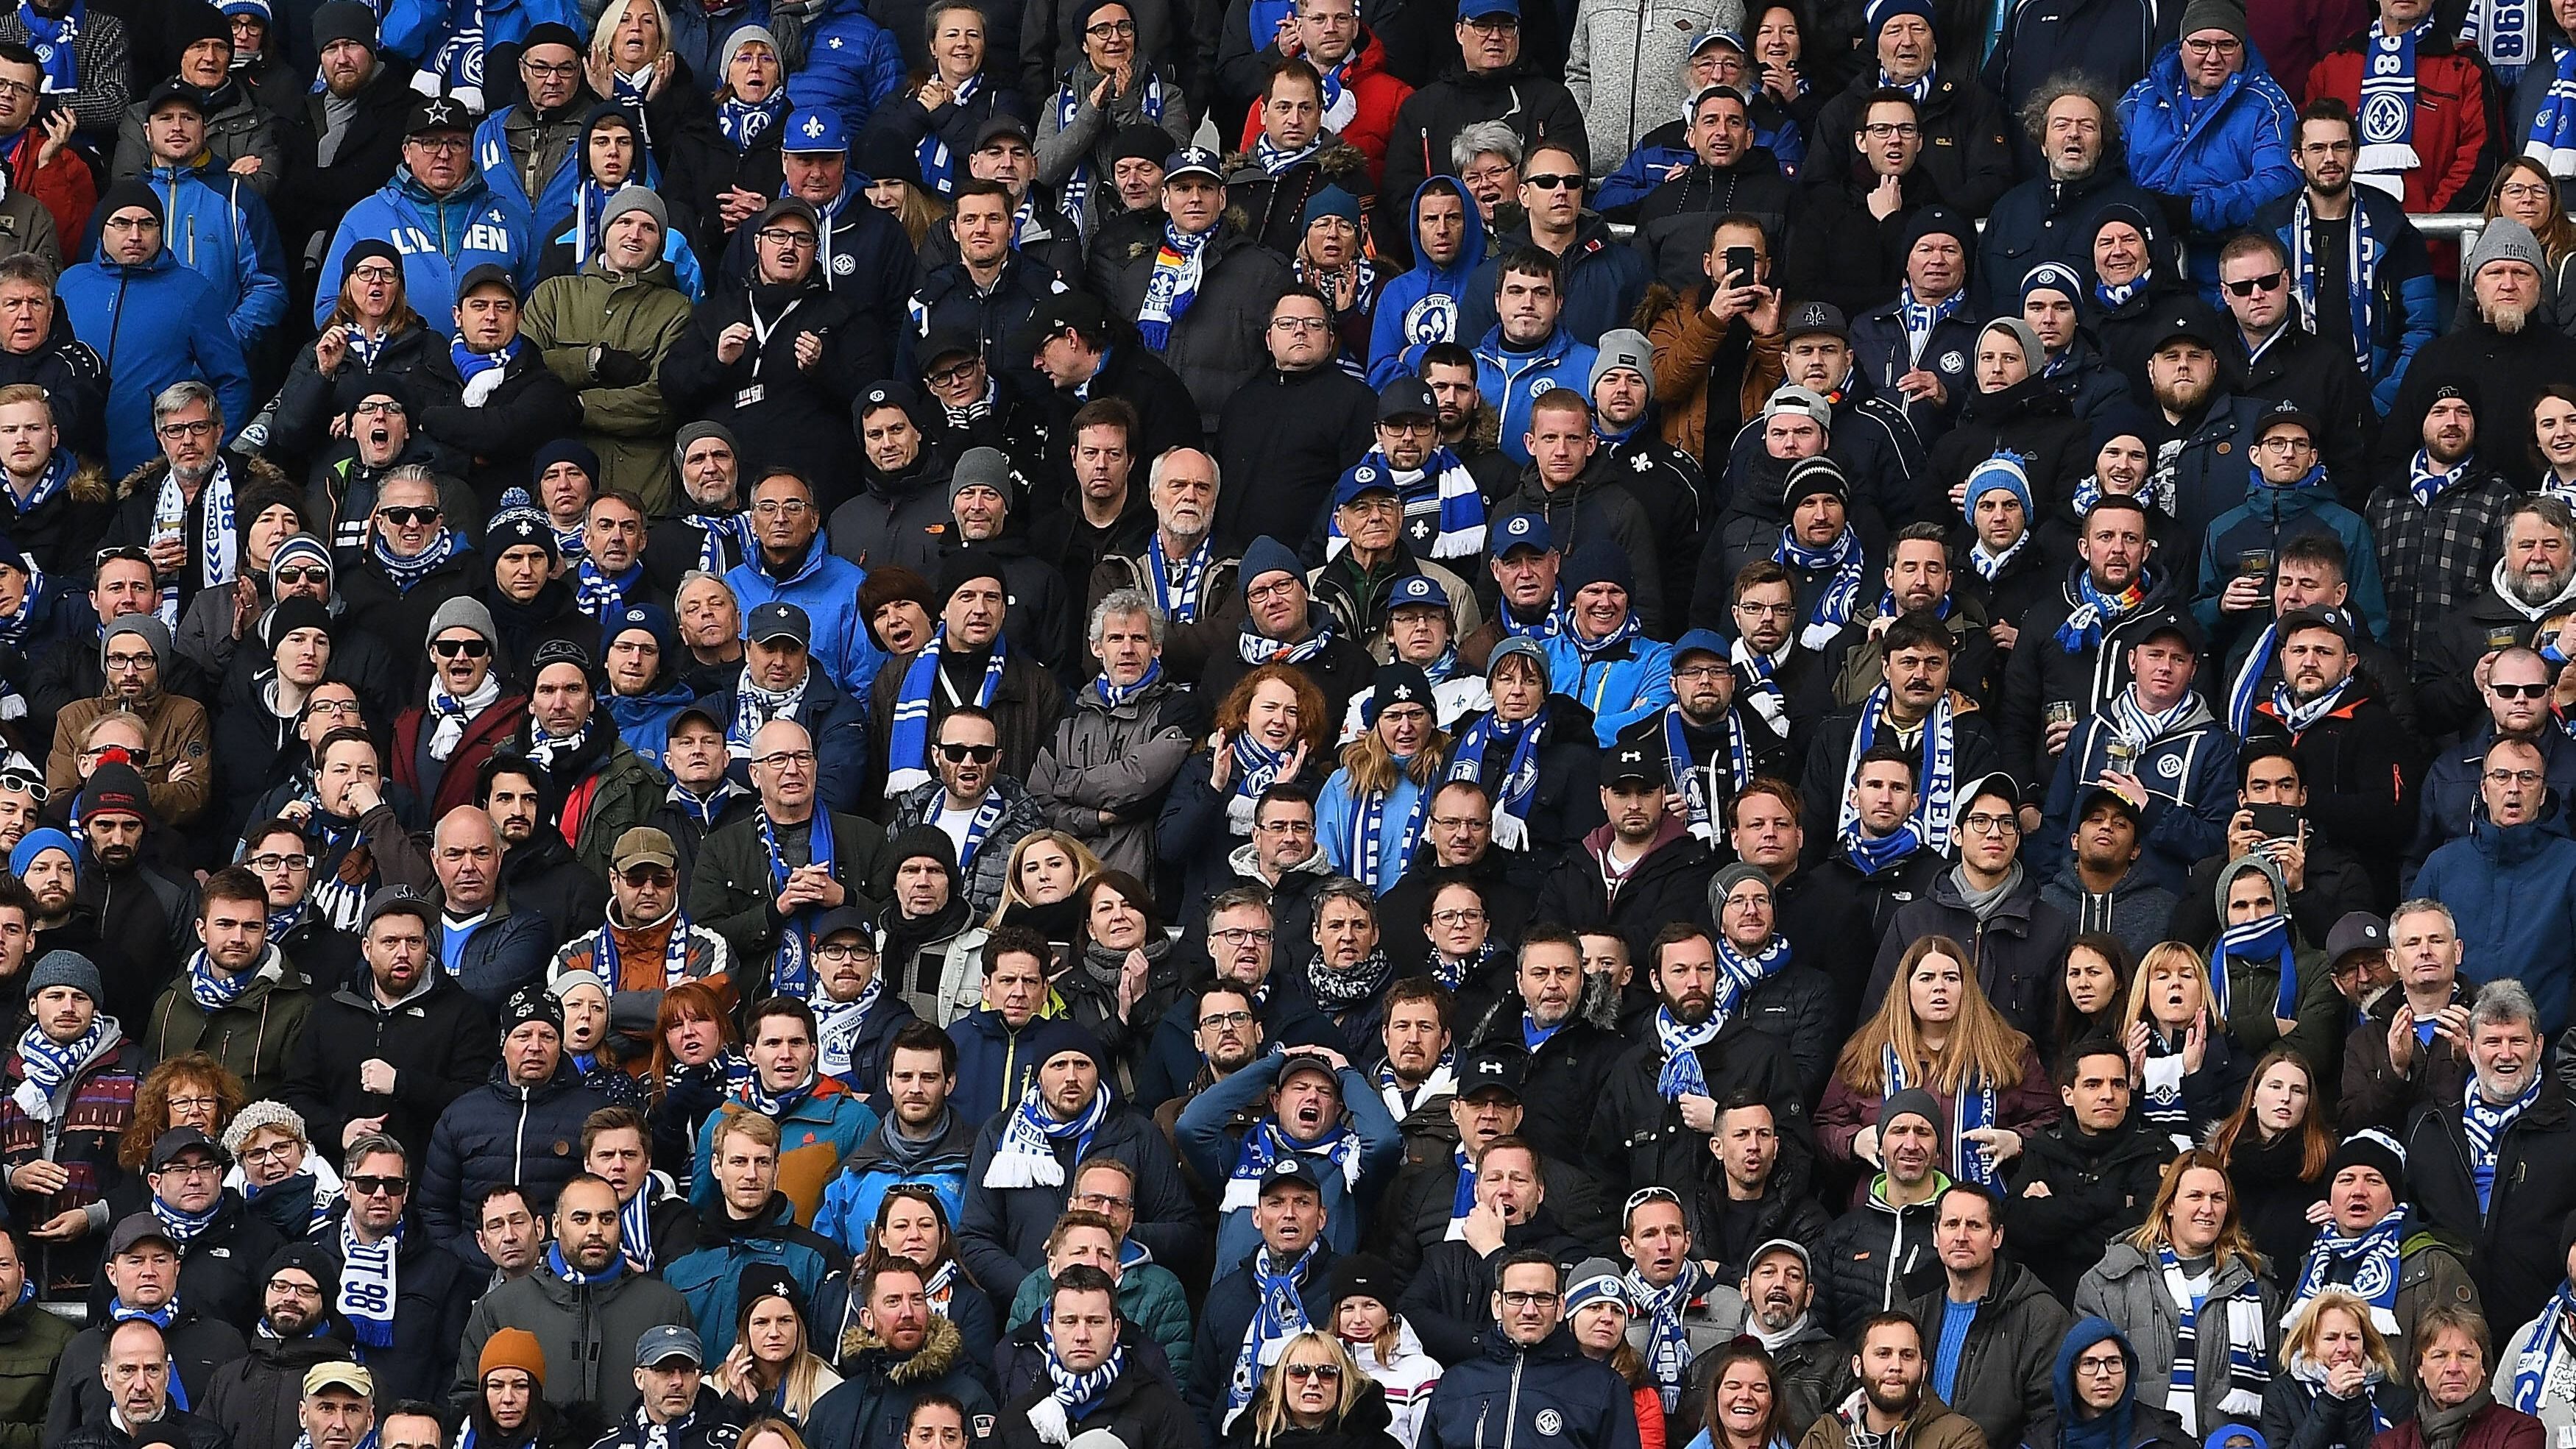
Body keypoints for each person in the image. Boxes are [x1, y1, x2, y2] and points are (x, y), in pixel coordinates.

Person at [453, 1173, 696, 1426]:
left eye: (607, 1219)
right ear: (556, 1225)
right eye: (581, 1219)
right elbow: (469, 1401)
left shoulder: (665, 1305)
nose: (595, 1231)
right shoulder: (500, 1308)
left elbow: (691, 1402)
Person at [2074, 1148, 2283, 1435]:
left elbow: (2276, 1394)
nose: (2207, 1209)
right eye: (2195, 1196)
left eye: (2217, 1198)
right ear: (2170, 1204)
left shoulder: (2258, 1287)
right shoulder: (2109, 1283)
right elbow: (2091, 1391)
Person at [57, 184, 252, 479]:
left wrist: (208, 453)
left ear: (160, 230)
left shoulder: (191, 291)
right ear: (102, 229)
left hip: (154, 471)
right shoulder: (70, 285)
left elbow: (233, 380)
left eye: (147, 224)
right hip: (73, 472)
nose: (135, 235)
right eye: (122, 223)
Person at [2416, 737, 2576, 1035]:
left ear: (2542, 794)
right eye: (2501, 776)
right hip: (2452, 1051)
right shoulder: (2442, 866)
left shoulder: (2570, 864)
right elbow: (2411, 956)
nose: (2514, 788)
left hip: (2547, 1053)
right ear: (2484, 789)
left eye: (2527, 777)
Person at [665, 1108, 848, 1359]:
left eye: (762, 1162)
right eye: (739, 1161)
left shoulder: (815, 1258)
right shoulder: (681, 1259)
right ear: (717, 1167)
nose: (751, 1175)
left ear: (776, 1169)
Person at [140, 867, 311, 1102]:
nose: (238, 938)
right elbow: (150, 1096)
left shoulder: (296, 1011)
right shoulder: (169, 1003)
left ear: (265, 931)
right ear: (202, 930)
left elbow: (300, 1102)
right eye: (225, 924)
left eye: (251, 926)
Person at [995, 1264, 1197, 1449]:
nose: (1082, 1336)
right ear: (1050, 1329)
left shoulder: (1164, 1413)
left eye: (1095, 1322)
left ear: (1115, 1329)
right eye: (1069, 1321)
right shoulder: (1015, 1420)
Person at [53, 1318, 232, 1449]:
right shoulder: (74, 1447)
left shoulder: (210, 1444)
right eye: (128, 1370)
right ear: (106, 1377)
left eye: (152, 1369)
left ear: (167, 1374)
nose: (140, 1385)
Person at [2380, 1308, 2544, 1449]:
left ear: (2483, 1367)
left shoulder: (2520, 1432)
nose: (2453, 1368)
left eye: (2465, 1356)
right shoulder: (2390, 1444)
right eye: (2440, 1356)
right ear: (2420, 1367)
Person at [2045, 1317, 2197, 1449]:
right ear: (2070, 1373)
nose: (2103, 1374)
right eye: (2090, 1363)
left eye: (2113, 1362)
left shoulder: (2167, 1442)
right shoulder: (2039, 1443)